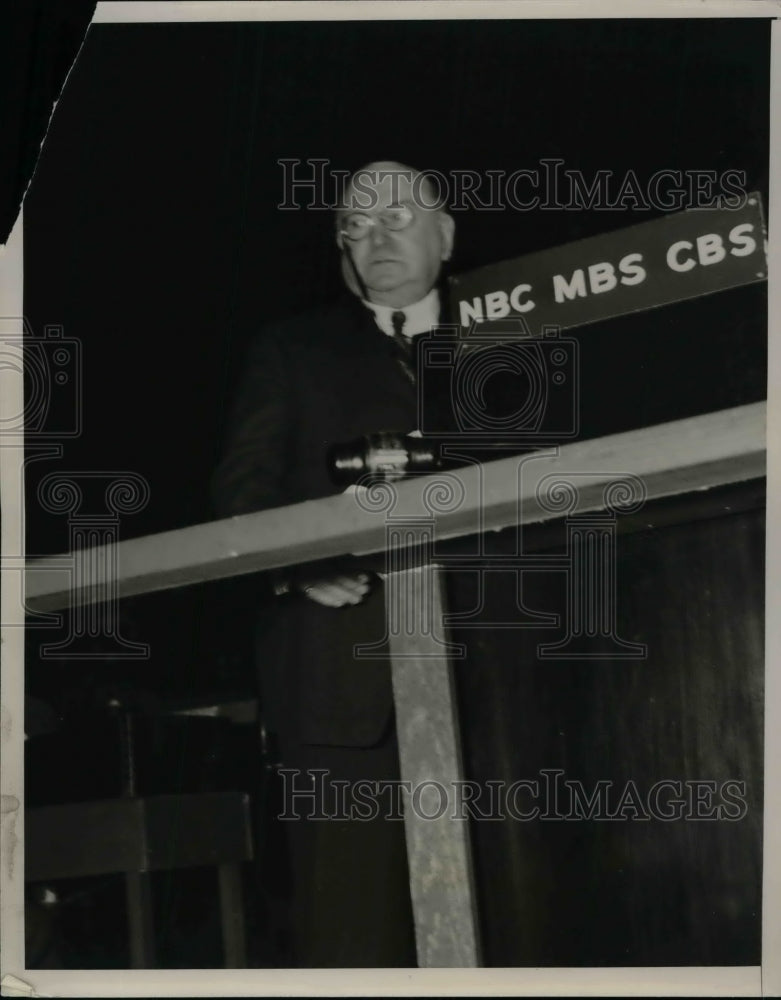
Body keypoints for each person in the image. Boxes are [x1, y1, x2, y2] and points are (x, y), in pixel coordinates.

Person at [212, 161, 455, 967]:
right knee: (354, 935)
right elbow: (239, 499)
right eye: (356, 224)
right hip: (344, 702)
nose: (375, 236)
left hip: (505, 686)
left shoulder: (519, 333)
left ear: (445, 235)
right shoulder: (290, 349)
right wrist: (294, 566)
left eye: (397, 217)